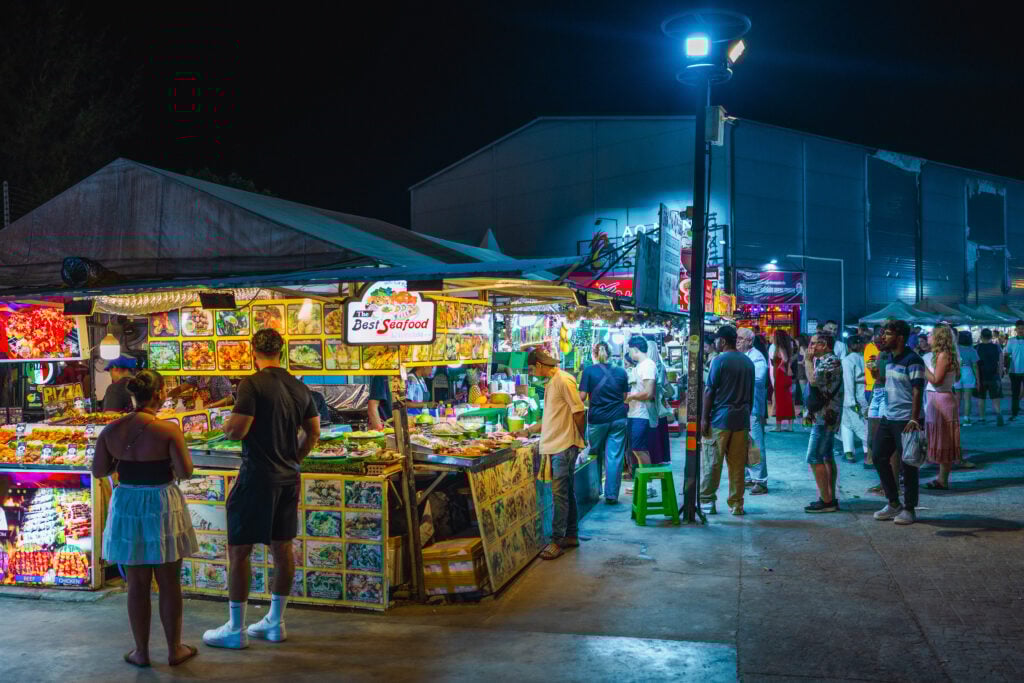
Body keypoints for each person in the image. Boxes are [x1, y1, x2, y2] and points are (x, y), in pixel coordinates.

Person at [203, 329, 320, 649]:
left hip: (256, 477)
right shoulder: (298, 386)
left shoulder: (251, 384)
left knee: (239, 551)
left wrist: (226, 425)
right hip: (288, 478)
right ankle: (275, 622)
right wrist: (293, 458)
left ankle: (235, 628)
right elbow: (313, 432)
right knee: (282, 549)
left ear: (252, 350)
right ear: (282, 350)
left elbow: (238, 430)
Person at [92, 369, 199, 668]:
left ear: (133, 395)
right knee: (169, 582)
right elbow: (186, 471)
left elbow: (98, 470)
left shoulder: (111, 430)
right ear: (160, 394)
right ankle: (174, 649)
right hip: (161, 502)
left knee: (137, 584)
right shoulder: (168, 431)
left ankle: (141, 652)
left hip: (127, 503)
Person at [516, 349, 584, 559]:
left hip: (564, 446)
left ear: (539, 365)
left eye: (531, 369)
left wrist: (580, 439)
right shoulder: (552, 383)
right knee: (566, 492)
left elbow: (579, 411)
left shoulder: (563, 380)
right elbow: (550, 418)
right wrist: (528, 431)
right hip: (556, 445)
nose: (531, 373)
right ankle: (571, 535)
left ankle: (556, 541)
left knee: (559, 495)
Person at [872, 319, 925, 526]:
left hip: (906, 420)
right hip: (889, 417)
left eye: (888, 334)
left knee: (908, 464)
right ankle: (893, 502)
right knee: (878, 456)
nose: (883, 337)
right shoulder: (889, 358)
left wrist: (914, 418)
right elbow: (888, 383)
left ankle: (909, 508)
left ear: (900, 337)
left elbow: (917, 390)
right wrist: (877, 374)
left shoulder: (913, 360)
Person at [700, 325, 754, 516]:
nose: (715, 342)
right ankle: (737, 504)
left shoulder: (719, 361)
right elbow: (751, 394)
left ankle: (707, 501)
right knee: (738, 465)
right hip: (741, 420)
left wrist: (704, 418)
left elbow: (709, 391)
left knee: (712, 462)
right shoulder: (748, 362)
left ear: (722, 341)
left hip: (720, 420)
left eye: (717, 339)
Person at [579, 342, 629, 504]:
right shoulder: (621, 371)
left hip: (597, 420)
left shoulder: (588, 371)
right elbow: (624, 397)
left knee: (594, 453)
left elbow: (581, 397)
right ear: (610, 353)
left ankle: (595, 490)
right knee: (614, 457)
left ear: (594, 354)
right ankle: (611, 495)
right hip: (618, 419)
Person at [803, 332, 844, 512]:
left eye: (813, 344)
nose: (810, 347)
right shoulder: (825, 361)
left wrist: (807, 361)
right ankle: (830, 497)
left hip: (825, 417)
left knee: (814, 457)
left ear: (824, 344)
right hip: (824, 415)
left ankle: (826, 501)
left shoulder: (831, 362)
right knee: (827, 456)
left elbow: (813, 381)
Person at [923, 325, 961, 490]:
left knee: (944, 440)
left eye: (931, 334)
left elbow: (936, 381)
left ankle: (942, 480)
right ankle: (941, 479)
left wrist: (922, 366)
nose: (928, 336)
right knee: (942, 439)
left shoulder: (943, 355)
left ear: (939, 337)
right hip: (939, 398)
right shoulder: (943, 355)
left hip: (941, 399)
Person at [737, 328, 769, 494]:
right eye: (737, 338)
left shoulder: (757, 357)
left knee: (756, 444)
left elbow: (758, 378)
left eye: (741, 339)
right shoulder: (741, 356)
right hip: (741, 407)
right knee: (744, 444)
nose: (738, 341)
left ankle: (760, 480)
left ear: (750, 341)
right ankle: (749, 476)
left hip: (753, 409)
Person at [624, 336, 658, 466]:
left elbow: (648, 393)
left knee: (639, 449)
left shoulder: (647, 365)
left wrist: (631, 397)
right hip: (635, 413)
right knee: (638, 449)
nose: (629, 354)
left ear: (635, 349)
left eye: (629, 350)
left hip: (642, 414)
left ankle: (647, 479)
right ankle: (643, 478)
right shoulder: (640, 365)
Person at [840, 335, 869, 463]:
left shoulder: (847, 360)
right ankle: (867, 452)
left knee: (847, 424)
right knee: (865, 423)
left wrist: (850, 401)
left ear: (849, 347)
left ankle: (849, 453)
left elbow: (848, 381)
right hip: (865, 393)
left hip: (853, 396)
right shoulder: (866, 358)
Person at [646, 342, 674, 466]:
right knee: (660, 432)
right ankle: (660, 458)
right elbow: (665, 384)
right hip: (660, 405)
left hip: (650, 404)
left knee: (652, 433)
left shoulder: (647, 366)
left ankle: (652, 459)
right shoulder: (661, 366)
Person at [974, 328, 1004, 427]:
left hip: (981, 376)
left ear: (981, 337)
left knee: (981, 398)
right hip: (994, 376)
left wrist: (977, 379)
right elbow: (1001, 362)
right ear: (991, 336)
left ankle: (982, 418)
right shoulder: (997, 347)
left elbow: (975, 365)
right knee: (996, 397)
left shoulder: (977, 348)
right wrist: (999, 375)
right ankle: (998, 414)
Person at [770, 330, 795, 431]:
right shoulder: (786, 347)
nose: (772, 337)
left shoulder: (780, 347)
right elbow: (787, 360)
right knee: (787, 400)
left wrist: (779, 367)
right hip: (783, 376)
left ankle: (778, 427)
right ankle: (789, 426)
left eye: (774, 336)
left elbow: (784, 359)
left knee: (780, 401)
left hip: (780, 376)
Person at [955, 330, 979, 426]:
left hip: (956, 371)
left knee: (957, 397)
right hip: (968, 371)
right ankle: (966, 419)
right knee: (967, 398)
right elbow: (975, 366)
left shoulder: (955, 349)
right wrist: (978, 379)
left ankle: (955, 419)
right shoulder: (972, 350)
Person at [169, 375, 234, 410]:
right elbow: (181, 388)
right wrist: (166, 396)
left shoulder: (219, 376)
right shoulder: (197, 376)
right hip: (205, 412)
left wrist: (210, 406)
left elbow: (229, 399)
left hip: (220, 412)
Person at [1005, 320, 1024, 422]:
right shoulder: (1011, 341)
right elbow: (1007, 354)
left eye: (1023, 328)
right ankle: (1014, 413)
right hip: (1014, 371)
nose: (1021, 330)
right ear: (1016, 329)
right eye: (1019, 328)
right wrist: (1006, 366)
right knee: (1015, 393)